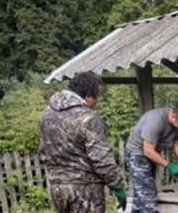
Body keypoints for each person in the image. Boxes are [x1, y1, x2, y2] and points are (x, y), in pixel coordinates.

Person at [39, 71, 127, 213]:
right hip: (85, 190)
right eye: (98, 96)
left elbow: (43, 151)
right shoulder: (88, 118)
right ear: (87, 97)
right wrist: (118, 187)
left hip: (58, 188)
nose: (98, 100)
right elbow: (102, 160)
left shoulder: (46, 114)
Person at [125, 104, 178, 213]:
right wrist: (169, 165)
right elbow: (148, 151)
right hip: (137, 154)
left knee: (140, 196)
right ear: (173, 115)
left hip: (151, 154)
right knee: (148, 195)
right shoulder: (155, 121)